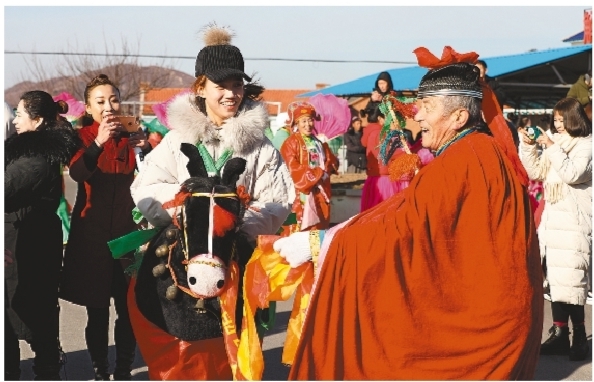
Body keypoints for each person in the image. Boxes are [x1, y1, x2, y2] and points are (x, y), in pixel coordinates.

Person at [272, 47, 543, 379]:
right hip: (503, 319)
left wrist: (324, 242)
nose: (417, 116)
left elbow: (406, 231)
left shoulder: (463, 160)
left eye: (427, 107)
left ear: (459, 117)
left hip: (480, 332)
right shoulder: (478, 151)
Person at [128, 23, 293, 379]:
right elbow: (146, 186)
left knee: (232, 353)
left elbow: (278, 200)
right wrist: (188, 214)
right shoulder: (176, 140)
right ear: (201, 87)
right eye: (221, 85)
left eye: (237, 85)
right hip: (181, 256)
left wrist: (235, 226)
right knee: (180, 355)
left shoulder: (260, 147)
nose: (231, 94)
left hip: (236, 262)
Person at [59, 74, 152, 381]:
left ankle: (123, 369)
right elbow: (77, 173)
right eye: (100, 102)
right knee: (97, 311)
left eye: (113, 99)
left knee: (128, 311)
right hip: (92, 238)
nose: (109, 107)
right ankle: (100, 369)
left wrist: (146, 151)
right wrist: (99, 141)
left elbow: (153, 180)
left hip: (128, 237)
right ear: (88, 107)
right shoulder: (81, 135)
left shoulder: (132, 135)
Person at [5, 90, 81, 380]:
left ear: (37, 120)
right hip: (26, 239)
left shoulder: (37, 156)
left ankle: (34, 370)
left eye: (21, 115)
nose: (15, 121)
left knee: (29, 313)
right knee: (28, 311)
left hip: (29, 245)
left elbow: (7, 187)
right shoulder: (29, 149)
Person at [519, 97, 592, 361]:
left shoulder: (587, 145)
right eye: (556, 120)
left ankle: (580, 338)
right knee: (557, 282)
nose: (557, 125)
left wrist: (550, 145)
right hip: (553, 223)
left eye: (562, 120)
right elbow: (536, 171)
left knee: (572, 283)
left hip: (574, 223)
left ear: (574, 119)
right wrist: (528, 147)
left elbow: (573, 174)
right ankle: (561, 334)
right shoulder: (556, 144)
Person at [279, 102, 339, 231]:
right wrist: (316, 174)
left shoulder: (318, 142)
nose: (308, 125)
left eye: (310, 120)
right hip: (301, 192)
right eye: (303, 121)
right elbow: (290, 168)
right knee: (300, 227)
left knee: (319, 225)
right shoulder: (290, 143)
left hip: (320, 190)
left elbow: (330, 163)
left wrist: (328, 156)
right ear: (297, 123)